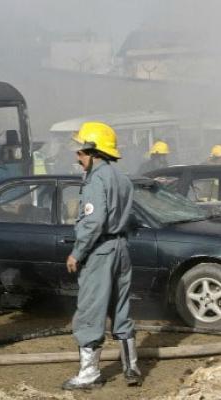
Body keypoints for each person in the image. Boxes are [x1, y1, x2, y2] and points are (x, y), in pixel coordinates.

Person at [63, 122, 141, 390]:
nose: (78, 157)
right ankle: (131, 367)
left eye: (81, 152)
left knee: (90, 311)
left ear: (94, 152)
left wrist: (77, 252)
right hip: (121, 249)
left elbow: (93, 221)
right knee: (121, 308)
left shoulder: (97, 178)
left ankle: (89, 375)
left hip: (100, 251)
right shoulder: (122, 178)